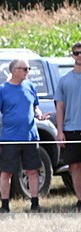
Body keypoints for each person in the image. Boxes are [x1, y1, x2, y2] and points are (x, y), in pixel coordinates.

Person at [0, 58, 49, 213]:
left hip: (30, 137)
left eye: (29, 69)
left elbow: (35, 107)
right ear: (15, 70)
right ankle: (4, 205)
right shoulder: (2, 90)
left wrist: (39, 115)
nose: (28, 72)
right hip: (9, 138)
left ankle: (35, 203)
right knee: (6, 172)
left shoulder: (30, 86)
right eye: (25, 69)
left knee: (33, 170)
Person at [54, 41, 81, 212]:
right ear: (72, 55)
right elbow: (60, 107)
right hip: (71, 129)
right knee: (75, 166)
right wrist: (59, 131)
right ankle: (80, 199)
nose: (80, 56)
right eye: (77, 53)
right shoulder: (64, 80)